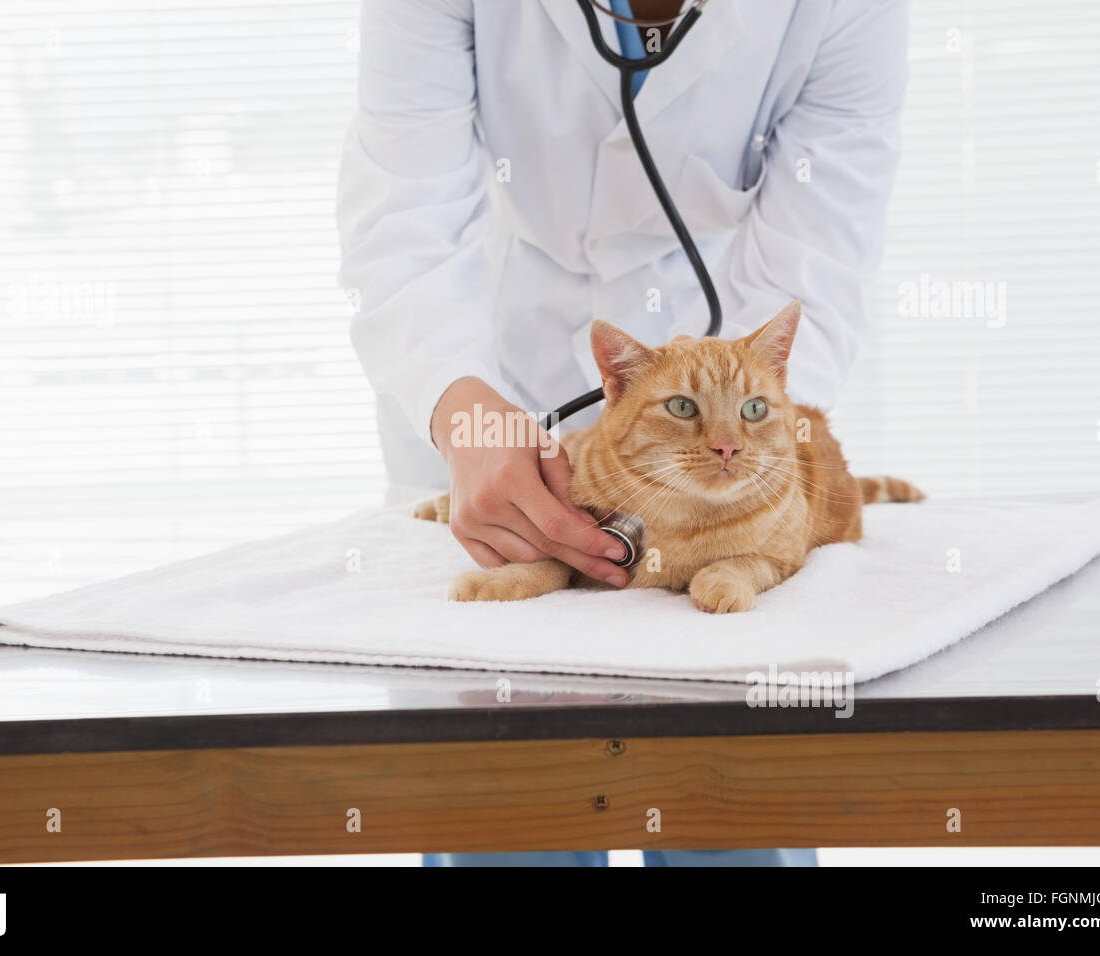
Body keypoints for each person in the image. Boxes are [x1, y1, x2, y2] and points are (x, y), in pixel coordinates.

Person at [336, 0, 908, 866]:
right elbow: (404, 214)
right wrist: (468, 416)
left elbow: (813, 272)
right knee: (508, 820)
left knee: (730, 815)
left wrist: (752, 492)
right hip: (492, 361)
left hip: (724, 374)